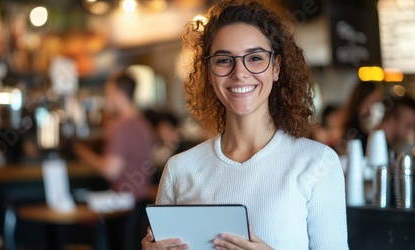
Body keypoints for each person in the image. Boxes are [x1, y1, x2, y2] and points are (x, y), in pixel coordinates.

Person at [141, 0, 348, 249]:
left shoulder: (318, 162)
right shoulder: (180, 169)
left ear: (276, 67)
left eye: (255, 58)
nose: (239, 72)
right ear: (208, 72)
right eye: (224, 60)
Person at [73, 72, 155, 250]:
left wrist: (82, 152)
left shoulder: (122, 127)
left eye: (108, 93)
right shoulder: (144, 124)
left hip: (123, 205)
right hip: (141, 204)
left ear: (119, 93)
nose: (107, 99)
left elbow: (111, 170)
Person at [340, 81, 384, 154]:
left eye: (378, 101)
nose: (375, 106)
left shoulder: (380, 128)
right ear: (360, 102)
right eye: (372, 101)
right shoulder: (352, 130)